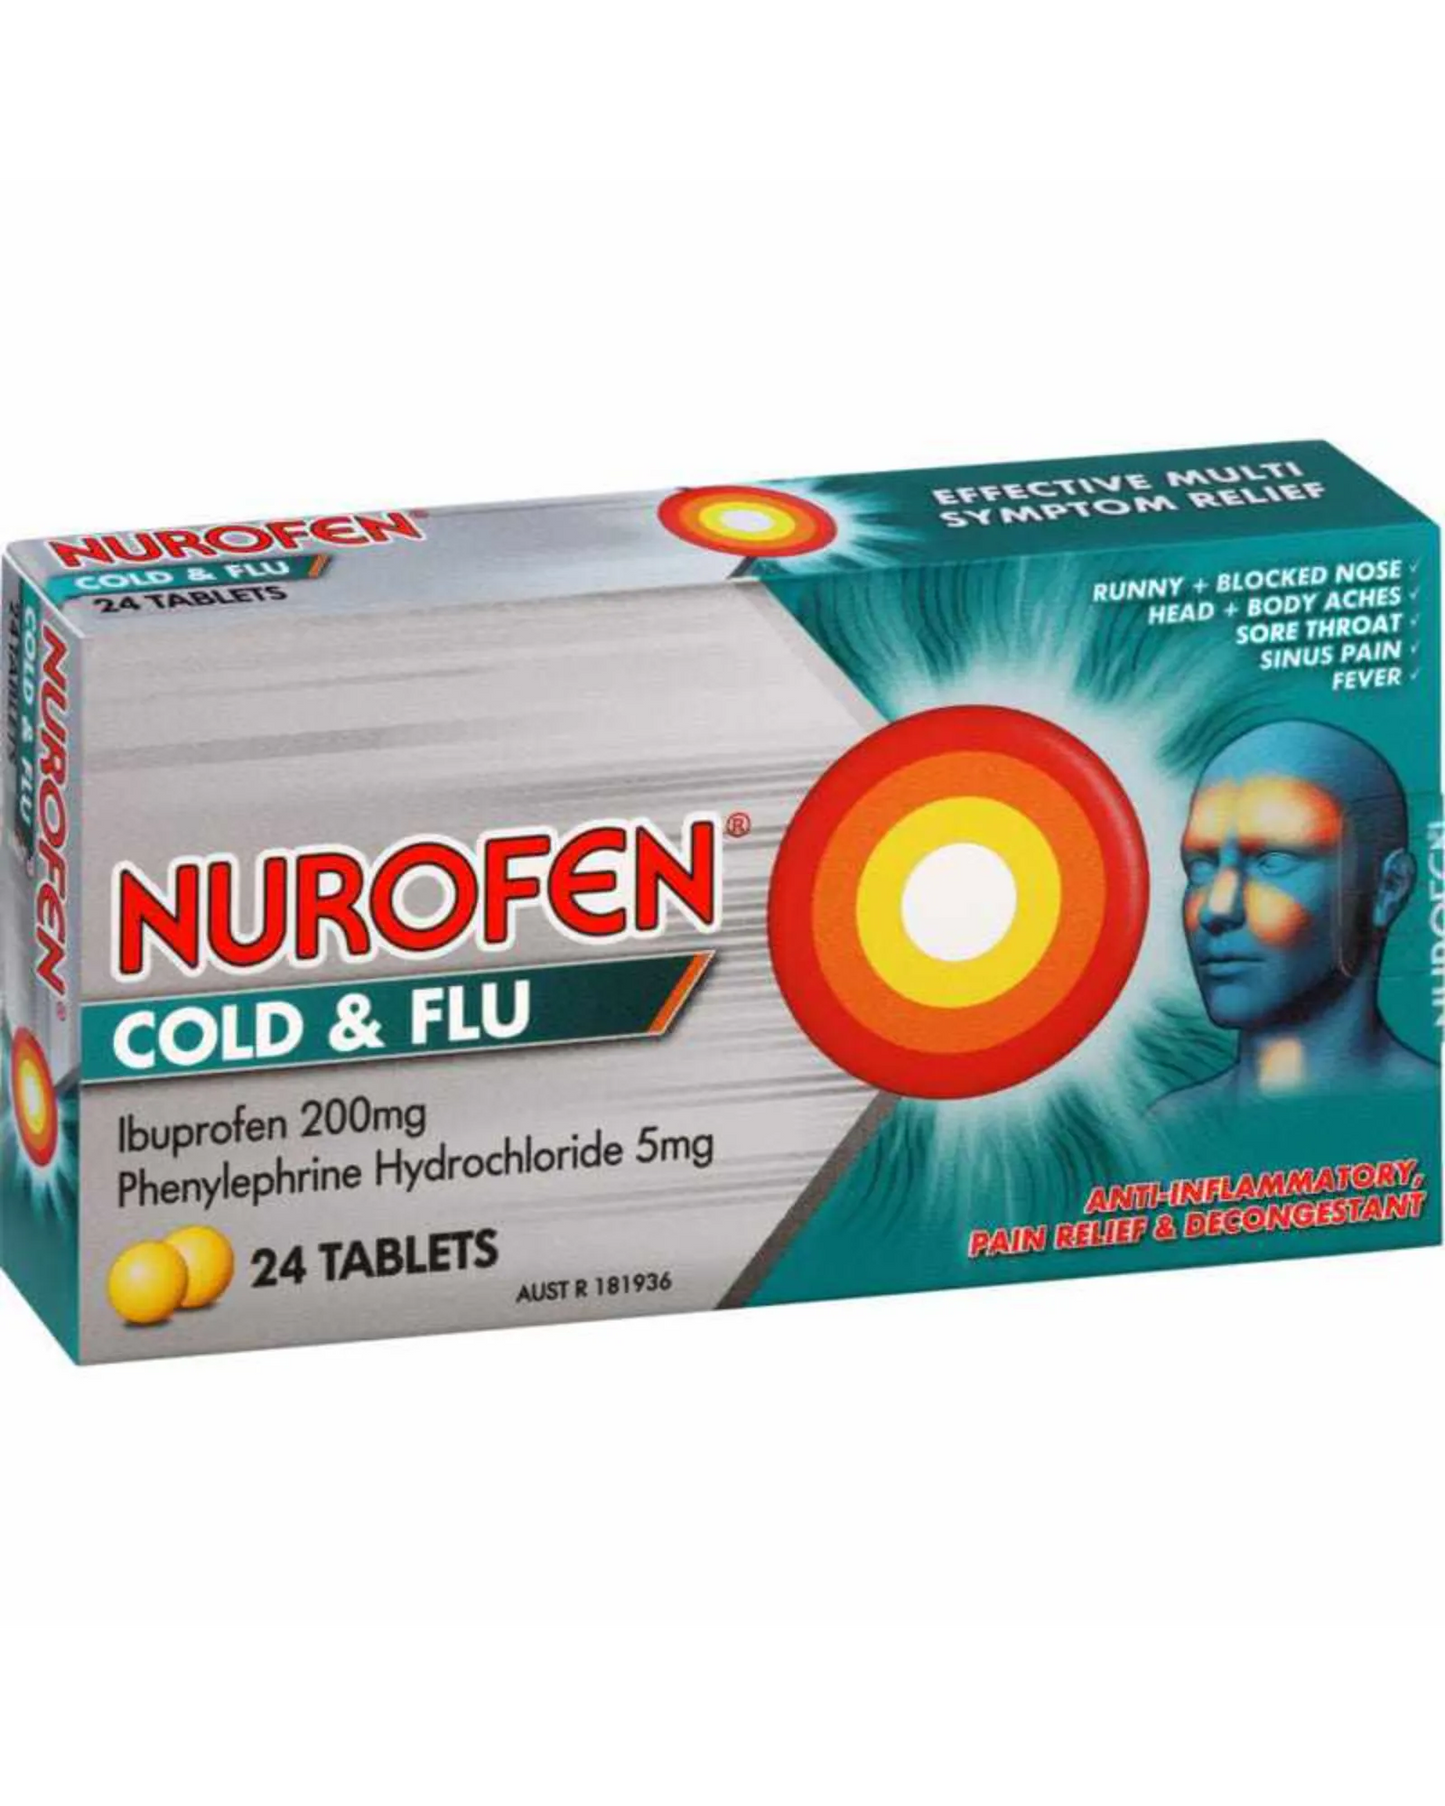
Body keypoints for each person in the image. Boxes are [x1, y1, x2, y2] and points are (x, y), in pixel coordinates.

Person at [1152, 720, 1435, 1122]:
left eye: (1273, 861)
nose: (1216, 907)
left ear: (1388, 887)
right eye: (1201, 866)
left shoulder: (1429, 1110)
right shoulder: (1170, 1126)